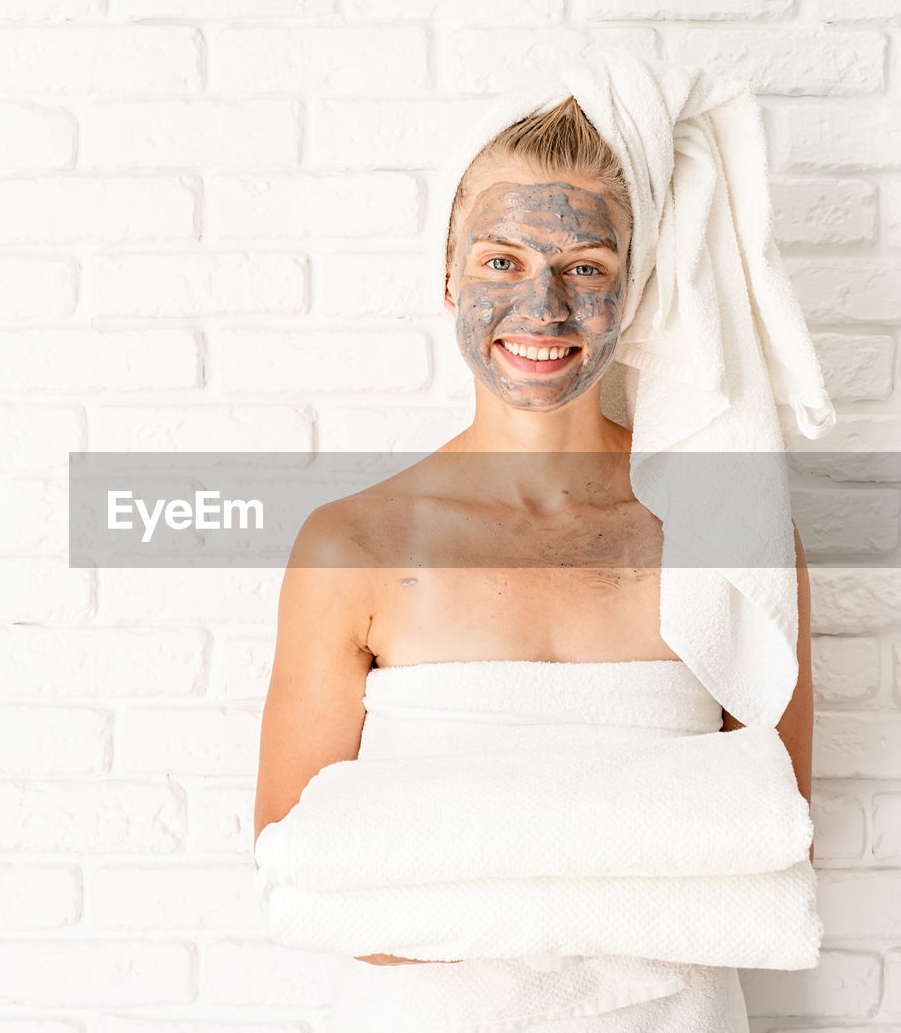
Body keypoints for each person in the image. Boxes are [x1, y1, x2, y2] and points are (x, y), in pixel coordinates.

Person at [252, 95, 814, 1027]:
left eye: (583, 266)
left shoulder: (732, 535)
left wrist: (489, 883)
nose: (541, 306)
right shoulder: (351, 547)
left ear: (630, 292)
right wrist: (604, 895)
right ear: (447, 279)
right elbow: (300, 861)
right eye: (501, 261)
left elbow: (779, 840)